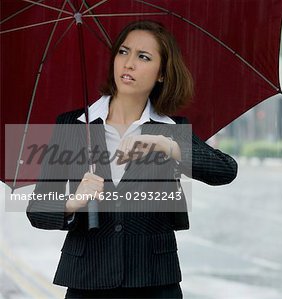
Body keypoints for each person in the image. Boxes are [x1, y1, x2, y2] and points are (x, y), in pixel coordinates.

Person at [26, 20, 238, 298]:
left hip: (154, 281)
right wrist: (72, 203)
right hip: (87, 280)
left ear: (161, 74)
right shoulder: (74, 125)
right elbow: (37, 209)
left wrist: (167, 146)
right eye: (123, 52)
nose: (129, 63)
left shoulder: (169, 129)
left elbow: (225, 170)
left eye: (143, 57)